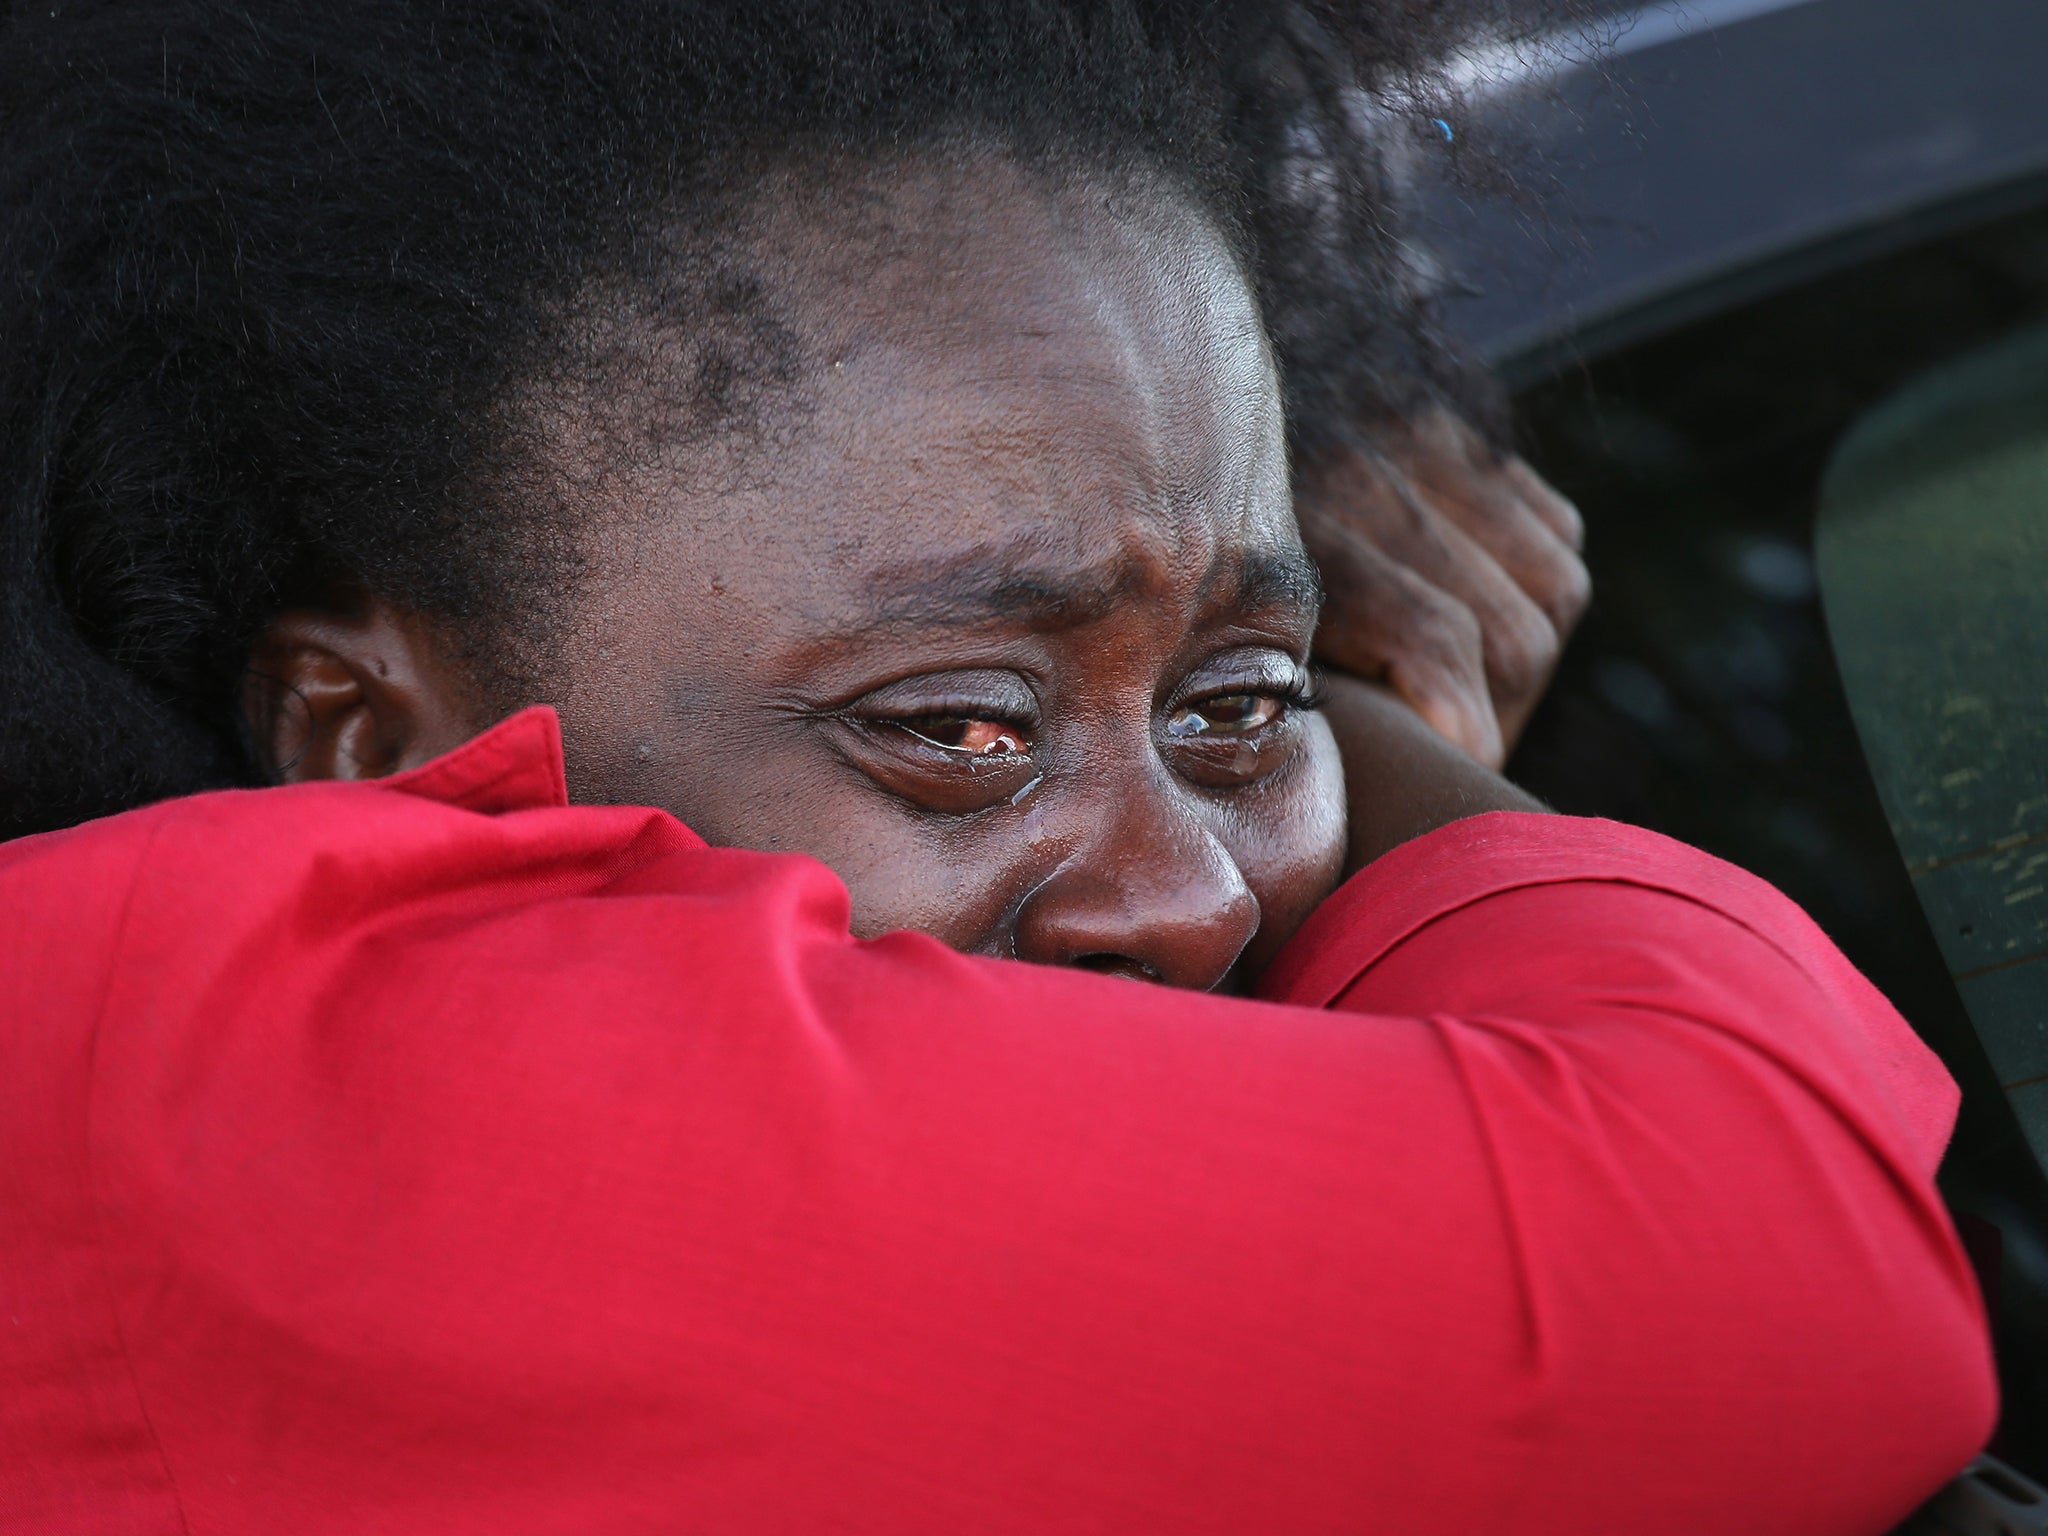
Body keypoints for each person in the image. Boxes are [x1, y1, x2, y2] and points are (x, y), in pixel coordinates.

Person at [0, 1, 1994, 1530]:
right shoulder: (209, 1072)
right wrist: (1335, 724)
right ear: (368, 735)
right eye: (956, 729)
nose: (1194, 894)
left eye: (1237, 711)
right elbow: (1761, 1267)